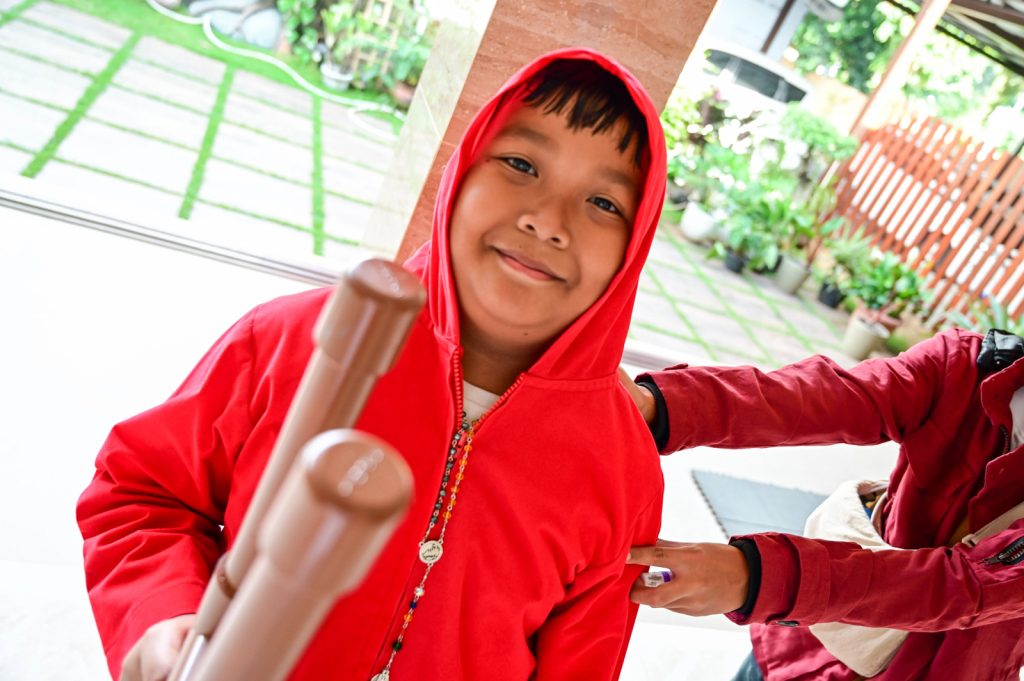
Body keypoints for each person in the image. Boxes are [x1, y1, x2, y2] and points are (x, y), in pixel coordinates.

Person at [77, 49, 668, 681]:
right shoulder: (291, 340)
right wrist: (163, 616)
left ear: (634, 246)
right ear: (461, 173)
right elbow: (145, 494)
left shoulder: (623, 471)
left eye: (603, 203)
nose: (547, 222)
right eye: (521, 164)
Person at [624, 328, 1024, 681]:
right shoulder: (969, 366)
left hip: (941, 662)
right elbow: (834, 395)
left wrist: (757, 577)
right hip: (815, 637)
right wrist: (663, 404)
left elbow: (960, 587)